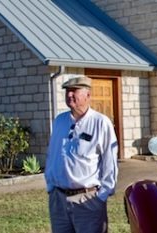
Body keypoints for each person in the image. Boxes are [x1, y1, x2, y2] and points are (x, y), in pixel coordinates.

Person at [45, 75, 118, 233]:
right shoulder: (59, 121)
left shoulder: (100, 122)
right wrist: (51, 187)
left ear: (88, 95)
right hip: (58, 199)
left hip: (87, 200)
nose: (69, 95)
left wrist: (101, 196)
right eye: (67, 92)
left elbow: (109, 162)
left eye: (74, 91)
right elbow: (52, 155)